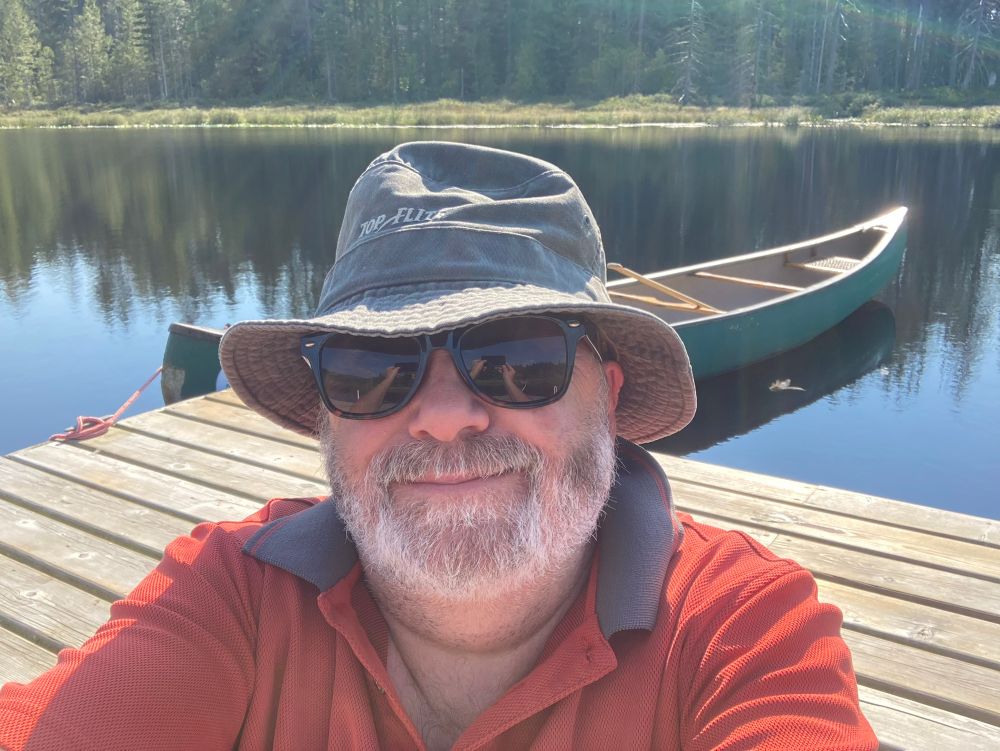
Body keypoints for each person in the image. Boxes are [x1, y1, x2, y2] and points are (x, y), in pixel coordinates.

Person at [0, 142, 877, 750]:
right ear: (325, 414)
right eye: (372, 368)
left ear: (607, 399)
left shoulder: (741, 630)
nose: (446, 416)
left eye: (517, 359)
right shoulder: (229, 592)